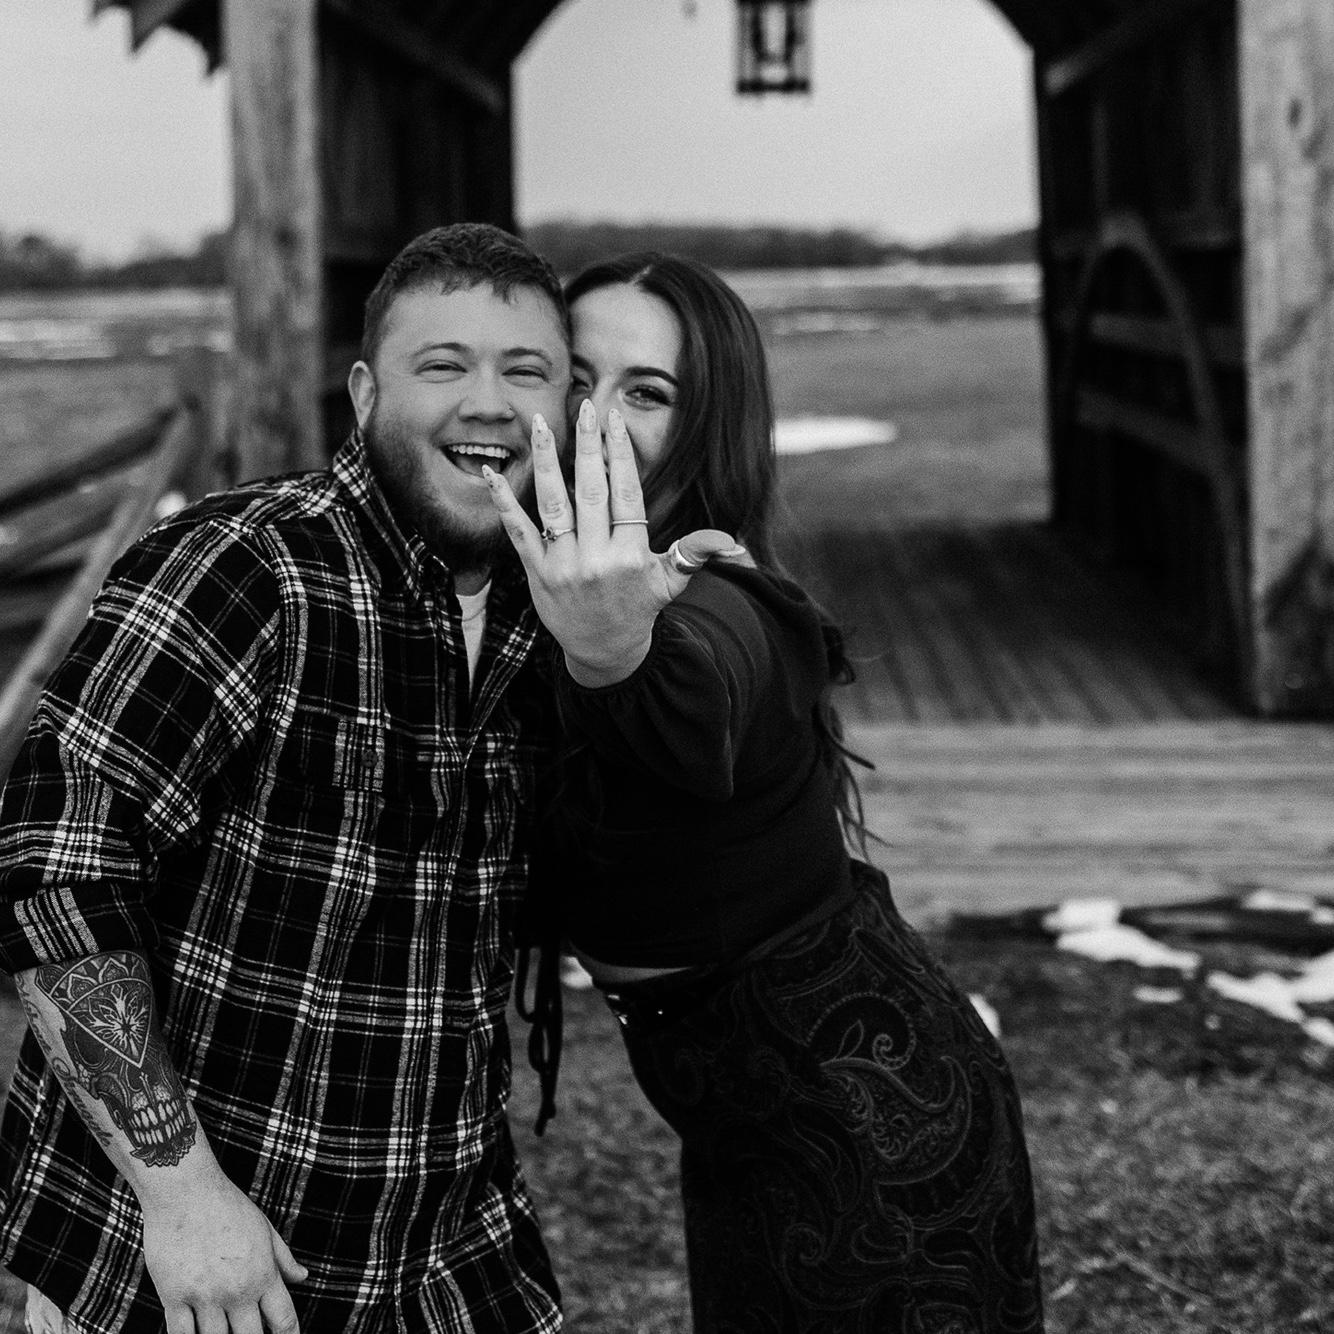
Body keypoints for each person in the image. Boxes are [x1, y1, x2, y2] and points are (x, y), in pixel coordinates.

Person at [0, 223, 569, 1334]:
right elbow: (58, 867)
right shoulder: (250, 567)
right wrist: (182, 1194)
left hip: (440, 1256)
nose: (489, 402)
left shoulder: (544, 610)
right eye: (443, 364)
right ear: (364, 394)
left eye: (525, 370)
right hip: (196, 1263)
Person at [485, 252, 1045, 1333]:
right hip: (744, 1131)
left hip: (879, 1139)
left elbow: (701, 698)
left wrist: (612, 652)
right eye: (575, 377)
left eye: (647, 393)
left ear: (708, 428)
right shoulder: (534, 597)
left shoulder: (721, 598)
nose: (594, 417)